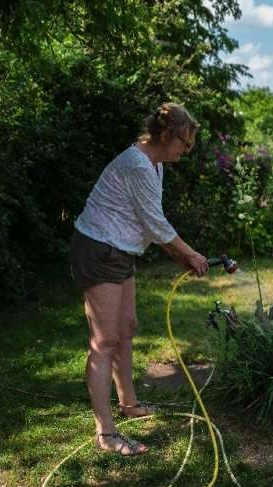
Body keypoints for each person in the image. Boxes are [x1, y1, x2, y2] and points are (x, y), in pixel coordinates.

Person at [69, 103, 210, 455]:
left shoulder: (155, 163)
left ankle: (129, 403)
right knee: (104, 340)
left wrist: (180, 255)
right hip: (100, 248)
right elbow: (157, 225)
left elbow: (152, 221)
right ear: (166, 135)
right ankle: (106, 433)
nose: (186, 150)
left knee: (126, 327)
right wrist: (189, 254)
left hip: (119, 249)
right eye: (184, 143)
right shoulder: (137, 165)